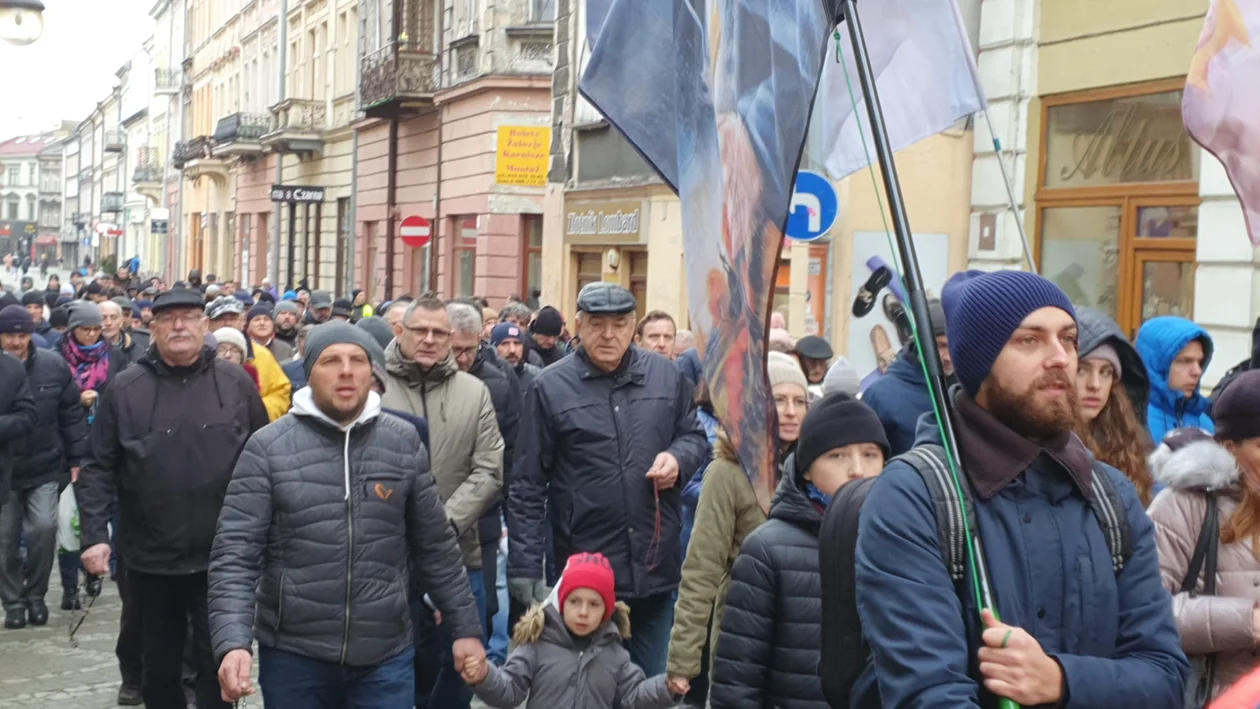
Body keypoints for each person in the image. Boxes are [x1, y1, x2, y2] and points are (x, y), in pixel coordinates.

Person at [854, 270, 1188, 707]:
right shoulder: (916, 497)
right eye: (1029, 340)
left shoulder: (1111, 497)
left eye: (1067, 339)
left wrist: (1061, 680)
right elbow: (928, 692)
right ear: (979, 363)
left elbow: (1165, 677)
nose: (1061, 358)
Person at [209, 322, 486, 706]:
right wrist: (233, 641)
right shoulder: (268, 448)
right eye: (331, 360)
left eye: (357, 360)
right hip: (294, 654)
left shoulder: (402, 442)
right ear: (309, 373)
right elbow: (235, 555)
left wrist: (465, 629)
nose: (346, 370)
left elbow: (436, 548)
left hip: (385, 655)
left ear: (371, 372)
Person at [76, 287, 269, 709]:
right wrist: (94, 535)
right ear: (152, 327)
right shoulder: (126, 388)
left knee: (216, 660)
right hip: (149, 557)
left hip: (222, 556)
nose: (179, 326)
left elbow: (264, 456)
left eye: (188, 318)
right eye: (168, 319)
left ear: (205, 326)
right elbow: (97, 465)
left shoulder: (235, 383)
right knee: (159, 666)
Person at [509, 282, 707, 676]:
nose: (609, 335)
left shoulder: (666, 377)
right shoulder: (550, 386)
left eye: (619, 324)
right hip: (586, 571)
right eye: (597, 325)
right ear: (579, 326)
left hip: (654, 564)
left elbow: (694, 437)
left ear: (633, 326)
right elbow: (527, 484)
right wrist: (526, 568)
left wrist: (677, 458)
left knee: (650, 691)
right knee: (589, 690)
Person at [710, 394, 889, 708]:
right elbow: (738, 682)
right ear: (807, 469)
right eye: (837, 456)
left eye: (870, 454)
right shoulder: (767, 551)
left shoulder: (901, 542)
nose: (857, 470)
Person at [381, 297, 504, 708]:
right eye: (421, 331)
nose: (430, 340)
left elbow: (489, 469)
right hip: (386, 555)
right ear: (401, 332)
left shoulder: (474, 391)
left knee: (466, 663)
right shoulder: (374, 385)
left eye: (440, 333)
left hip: (458, 553)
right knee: (394, 663)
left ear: (452, 338)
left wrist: (442, 524)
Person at [666, 349, 808, 700]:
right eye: (779, 399)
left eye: (800, 401)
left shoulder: (815, 471)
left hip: (805, 635)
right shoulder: (727, 473)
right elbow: (702, 568)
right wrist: (683, 659)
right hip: (742, 628)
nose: (791, 412)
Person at [464, 552, 679, 709]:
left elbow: (634, 697)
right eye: (574, 601)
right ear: (562, 602)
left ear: (607, 609)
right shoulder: (536, 645)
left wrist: (667, 687)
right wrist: (485, 675)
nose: (583, 612)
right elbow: (508, 691)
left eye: (594, 604)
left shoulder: (616, 655)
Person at [1149, 413, 1260, 700]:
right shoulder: (1185, 504)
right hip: (1215, 695)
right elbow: (1146, 611)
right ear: (1230, 448)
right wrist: (1249, 621)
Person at [0, 306, 86, 629]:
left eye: (23, 335)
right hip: (4, 472)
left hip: (45, 465)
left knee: (43, 529)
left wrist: (78, 458)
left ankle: (35, 595)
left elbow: (72, 414)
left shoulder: (52, 366)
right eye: (10, 335)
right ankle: (13, 602)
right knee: (5, 540)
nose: (17, 342)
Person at [1074, 306, 1155, 505]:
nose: (1095, 385)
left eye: (1106, 372)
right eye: (1082, 370)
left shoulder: (1125, 441)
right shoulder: (1042, 445)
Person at [859, 298, 951, 456]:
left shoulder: (973, 388)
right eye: (940, 346)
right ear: (920, 343)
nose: (949, 356)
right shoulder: (881, 396)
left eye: (955, 345)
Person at [206, 296, 291, 420]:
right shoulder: (195, 355)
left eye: (233, 318)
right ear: (208, 323)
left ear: (242, 322)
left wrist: (254, 412)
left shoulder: (262, 355)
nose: (228, 323)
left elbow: (280, 393)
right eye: (220, 318)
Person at [1136, 315, 1215, 442]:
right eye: (1185, 361)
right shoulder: (1131, 422)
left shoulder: (1205, 424)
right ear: (1157, 365)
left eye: (1200, 362)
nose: (1197, 371)